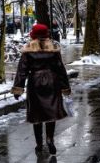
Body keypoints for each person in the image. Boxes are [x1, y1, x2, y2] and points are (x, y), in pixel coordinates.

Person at [12, 24, 71, 155]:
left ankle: (39, 144)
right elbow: (60, 69)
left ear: (33, 34)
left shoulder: (28, 49)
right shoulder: (54, 48)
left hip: (35, 82)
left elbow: (22, 71)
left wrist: (18, 88)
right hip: (52, 81)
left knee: (36, 114)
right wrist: (65, 87)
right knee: (51, 113)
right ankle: (50, 139)